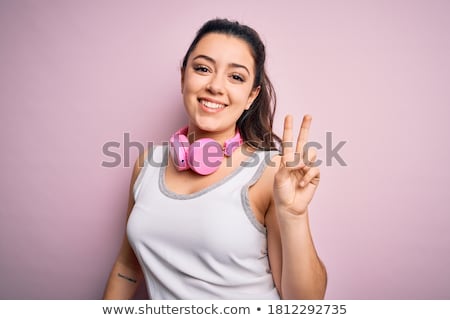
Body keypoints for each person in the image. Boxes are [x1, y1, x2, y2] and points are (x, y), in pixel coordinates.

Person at [103, 18, 327, 300]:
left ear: (251, 96)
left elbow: (306, 303)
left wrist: (294, 216)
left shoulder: (270, 172)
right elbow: (127, 267)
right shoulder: (147, 164)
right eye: (203, 69)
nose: (215, 86)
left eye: (236, 77)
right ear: (183, 77)